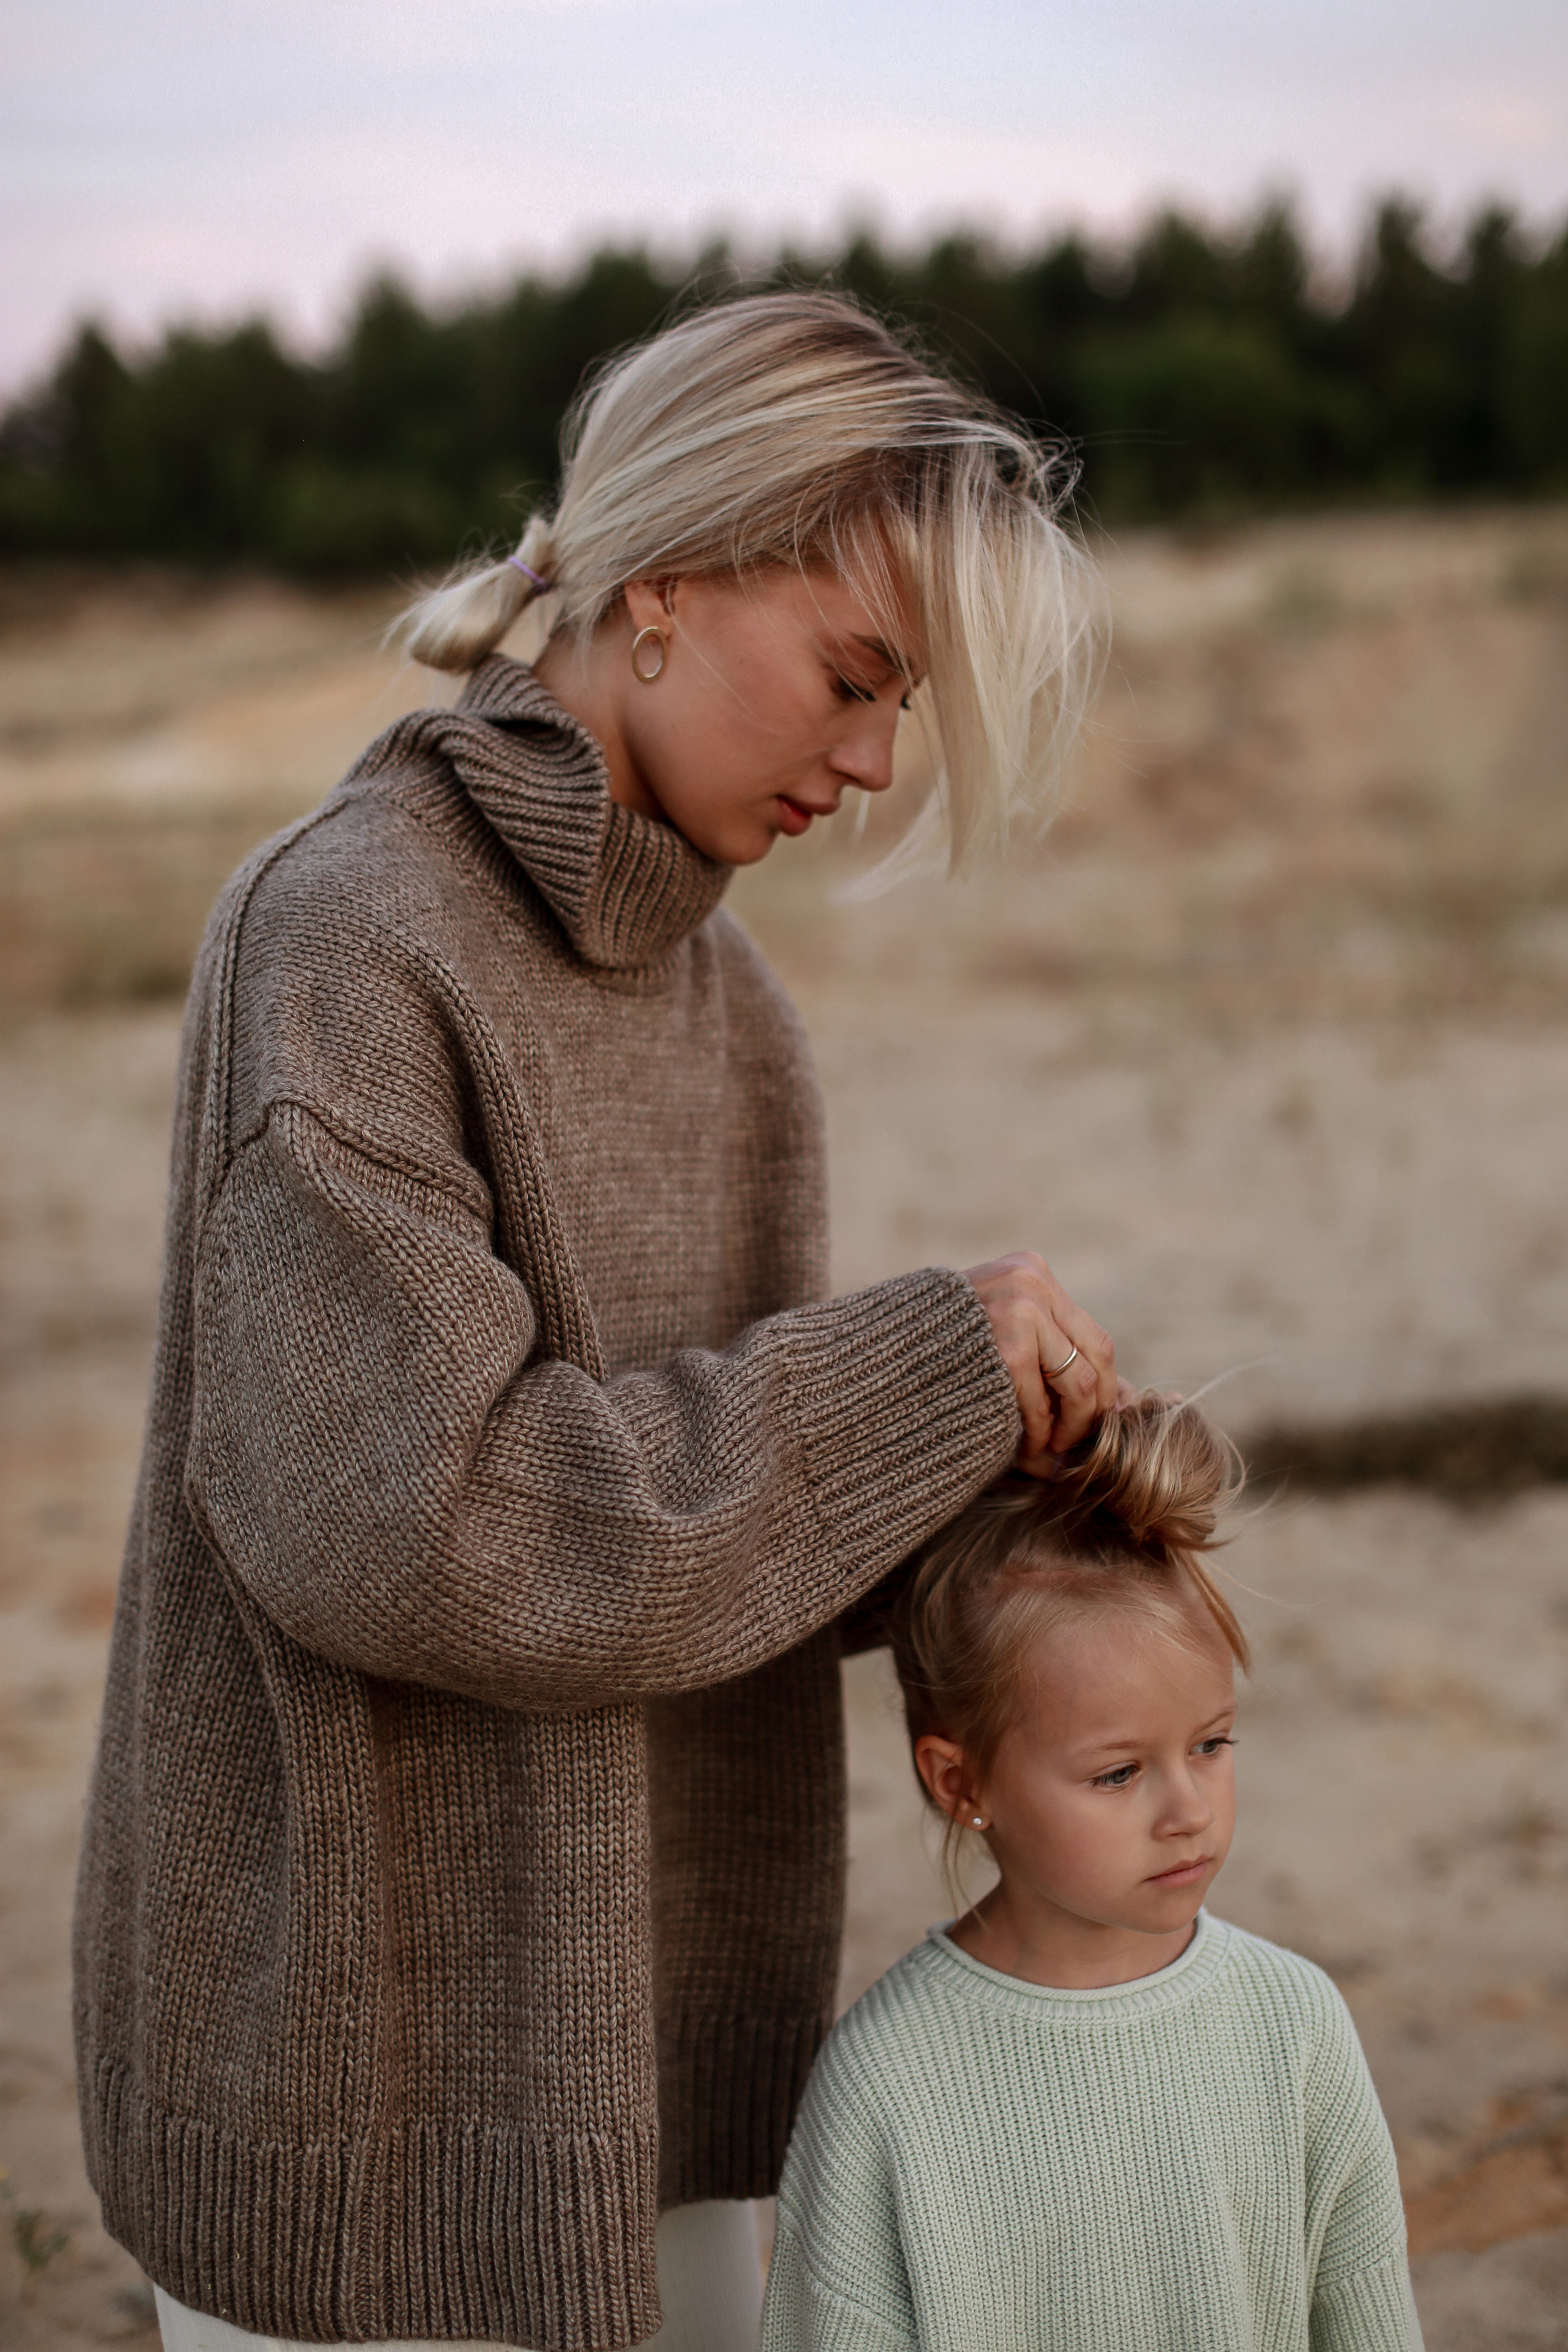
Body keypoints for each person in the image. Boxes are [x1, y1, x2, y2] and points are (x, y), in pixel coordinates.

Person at [72, 290, 1115, 2352]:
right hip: (377, 2111)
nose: (874, 761)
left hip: (666, 2068)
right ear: (666, 579)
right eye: (855, 673)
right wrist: (905, 1383)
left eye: (900, 704)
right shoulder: (347, 933)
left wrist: (989, 1471)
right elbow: (427, 1532)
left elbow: (702, 1551)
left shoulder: (740, 1011)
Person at [761, 1395, 1423, 2352]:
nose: (1189, 1811)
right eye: (1118, 1773)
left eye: (1210, 1744)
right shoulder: (885, 2080)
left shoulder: (1295, 2024)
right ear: (960, 1782)